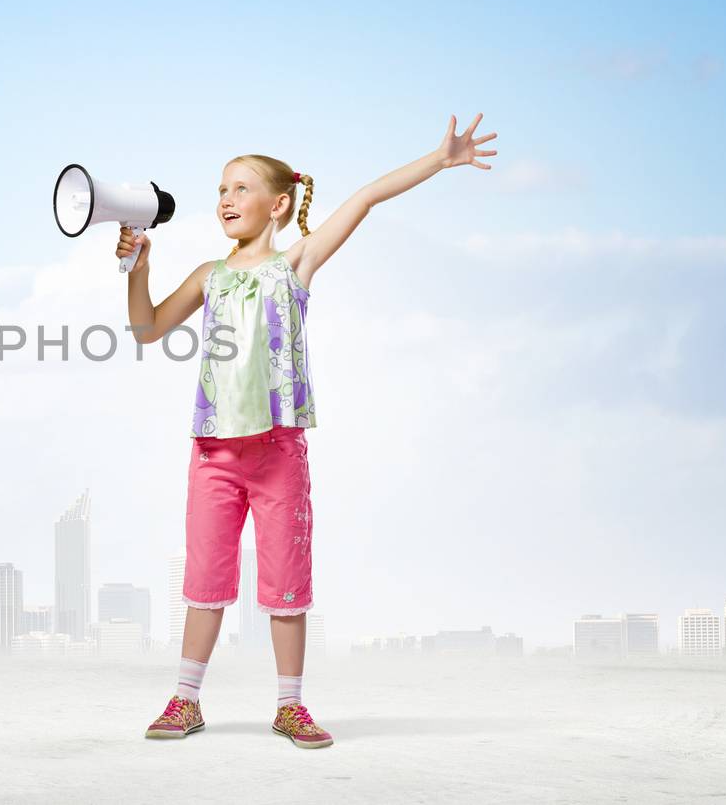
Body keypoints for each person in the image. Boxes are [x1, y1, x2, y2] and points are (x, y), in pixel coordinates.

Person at [119, 114, 498, 748]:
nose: (225, 200)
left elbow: (366, 199)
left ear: (279, 204)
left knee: (286, 583)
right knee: (206, 581)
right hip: (213, 452)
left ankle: (289, 706)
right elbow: (146, 327)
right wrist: (137, 266)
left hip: (278, 452)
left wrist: (439, 160)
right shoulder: (210, 275)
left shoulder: (295, 262)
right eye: (220, 190)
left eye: (240, 189)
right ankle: (185, 701)